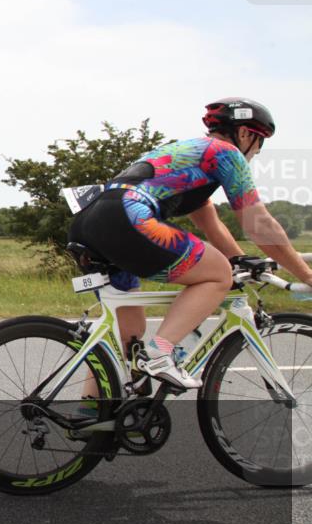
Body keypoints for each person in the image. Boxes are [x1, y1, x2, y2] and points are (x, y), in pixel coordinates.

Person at [68, 98, 312, 390]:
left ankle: (94, 420)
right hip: (128, 217)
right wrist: (306, 276)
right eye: (258, 146)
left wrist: (239, 259)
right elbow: (258, 222)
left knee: (127, 335)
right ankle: (160, 353)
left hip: (89, 221)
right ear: (246, 134)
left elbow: (209, 222)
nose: (254, 154)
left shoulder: (190, 156)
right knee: (217, 273)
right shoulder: (227, 153)